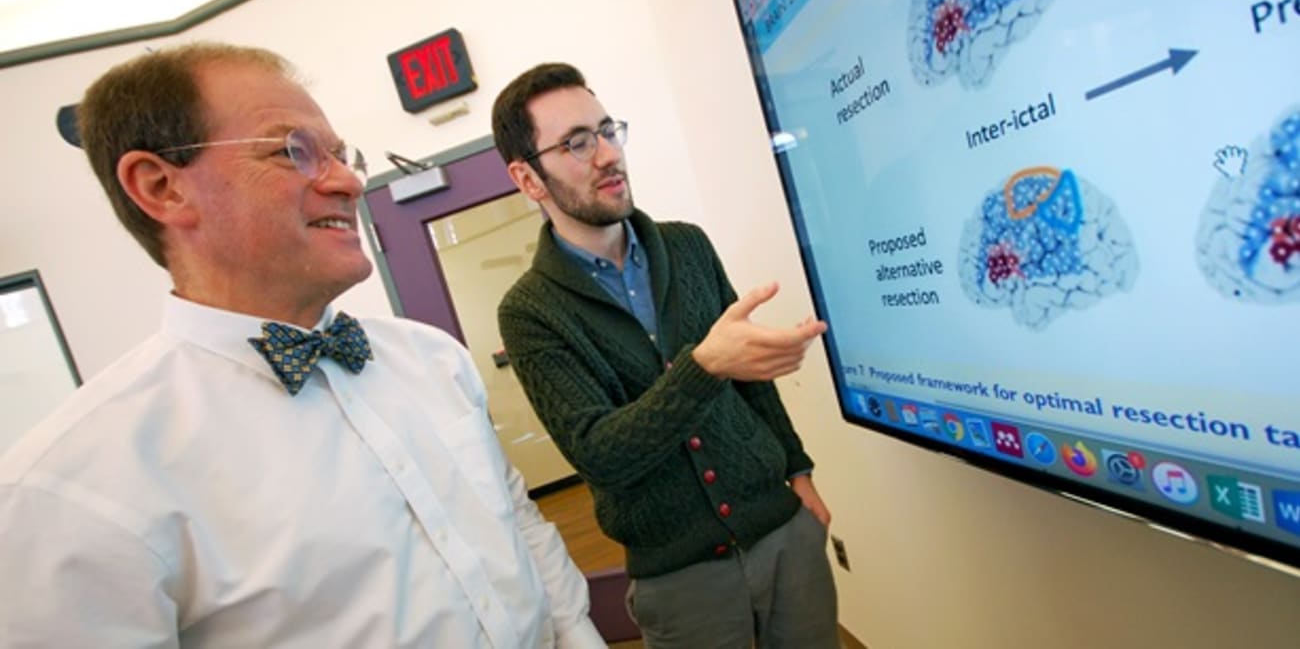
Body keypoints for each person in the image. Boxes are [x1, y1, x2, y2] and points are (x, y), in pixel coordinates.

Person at [0, 43, 604, 648]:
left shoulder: (431, 357)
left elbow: (516, 520)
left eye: (341, 155)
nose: (348, 180)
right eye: (294, 151)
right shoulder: (72, 492)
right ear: (162, 187)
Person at [492, 62, 839, 648]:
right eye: (577, 142)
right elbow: (601, 453)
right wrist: (704, 366)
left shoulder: (688, 246)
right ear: (528, 179)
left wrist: (798, 472)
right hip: (680, 581)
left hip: (783, 534)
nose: (606, 155)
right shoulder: (529, 311)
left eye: (607, 130)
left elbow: (753, 383)